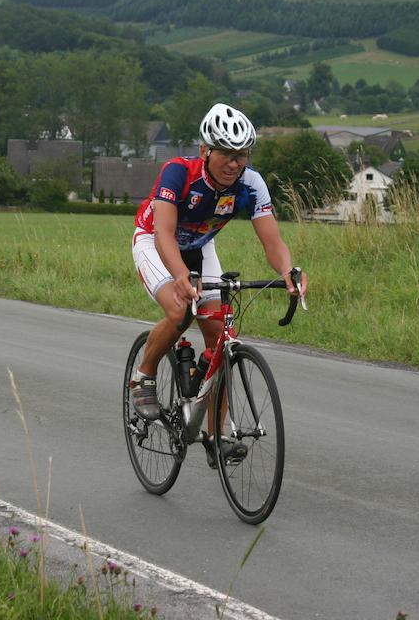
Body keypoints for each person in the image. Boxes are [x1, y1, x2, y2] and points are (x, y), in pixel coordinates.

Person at [130, 103, 307, 465]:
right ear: (205, 151)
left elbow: (272, 242)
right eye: (226, 153)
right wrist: (180, 276)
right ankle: (143, 376)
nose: (235, 163)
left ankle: (217, 433)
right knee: (180, 310)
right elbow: (163, 232)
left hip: (199, 245)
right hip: (154, 241)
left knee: (222, 337)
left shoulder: (250, 183)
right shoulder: (178, 173)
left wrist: (289, 271)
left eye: (242, 154)